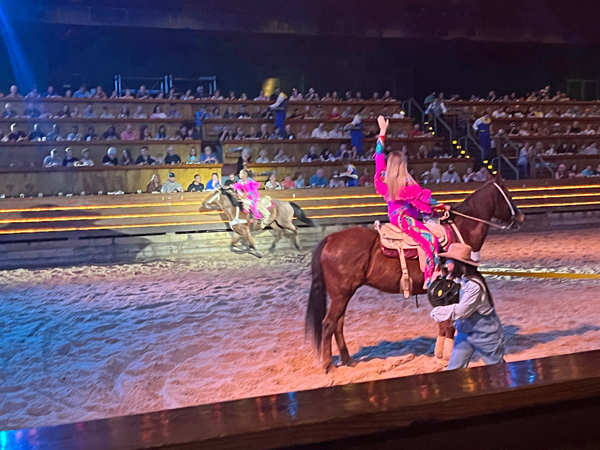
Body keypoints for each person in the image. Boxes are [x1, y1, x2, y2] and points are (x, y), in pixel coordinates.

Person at [374, 116, 445, 289]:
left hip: (394, 216)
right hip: (403, 218)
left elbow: (378, 153)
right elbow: (424, 198)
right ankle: (431, 276)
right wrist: (443, 207)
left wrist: (383, 131)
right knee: (430, 240)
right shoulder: (406, 183)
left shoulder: (383, 176)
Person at [430, 243, 505, 370]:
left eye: (449, 261)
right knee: (453, 369)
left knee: (498, 371)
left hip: (485, 335)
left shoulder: (474, 286)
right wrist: (437, 281)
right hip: (465, 332)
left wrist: (438, 312)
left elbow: (463, 311)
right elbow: (448, 290)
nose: (446, 264)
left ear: (458, 264)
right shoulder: (461, 279)